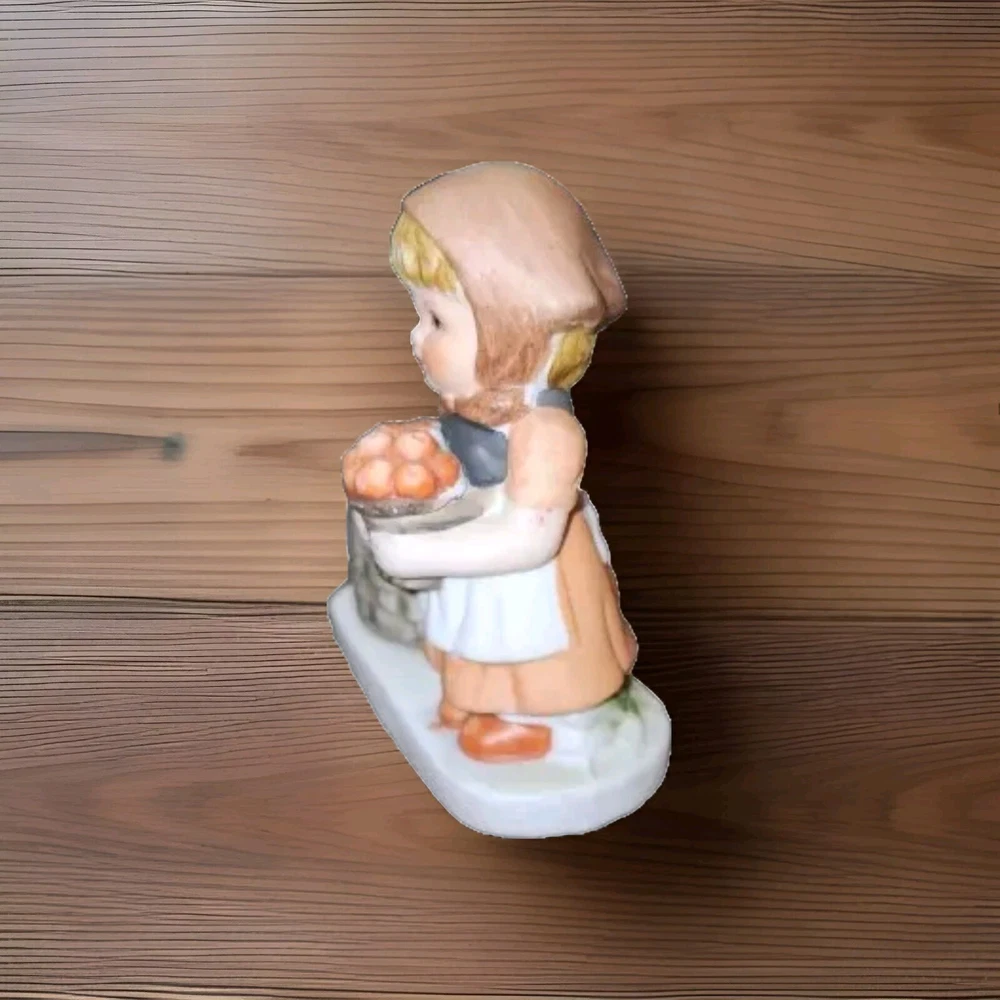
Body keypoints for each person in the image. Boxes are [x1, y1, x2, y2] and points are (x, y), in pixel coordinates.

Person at [367, 161, 637, 764]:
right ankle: (478, 701)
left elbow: (527, 542)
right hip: (482, 561)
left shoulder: (546, 432)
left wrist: (417, 555)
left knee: (524, 645)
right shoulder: (481, 410)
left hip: (529, 578)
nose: (415, 337)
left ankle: (538, 722)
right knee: (480, 633)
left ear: (512, 329)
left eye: (437, 319)